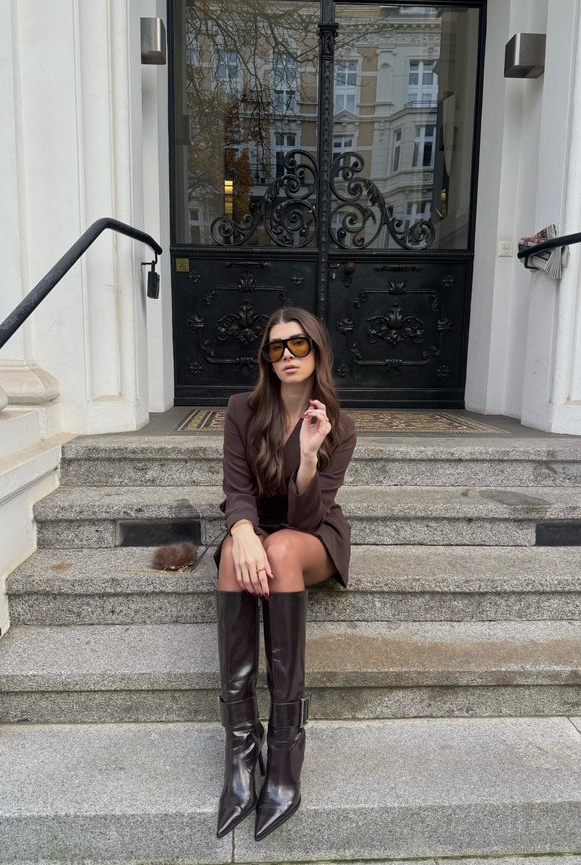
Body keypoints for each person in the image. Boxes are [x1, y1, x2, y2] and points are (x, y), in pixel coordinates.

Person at [214, 306, 356, 841]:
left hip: (312, 533)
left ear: (317, 351)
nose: (288, 356)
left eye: (298, 345)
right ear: (266, 359)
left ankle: (285, 755)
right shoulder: (240, 411)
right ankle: (240, 754)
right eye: (276, 348)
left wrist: (308, 458)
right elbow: (237, 490)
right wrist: (242, 532)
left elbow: (305, 518)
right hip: (258, 528)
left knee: (280, 548)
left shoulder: (339, 427)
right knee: (236, 551)